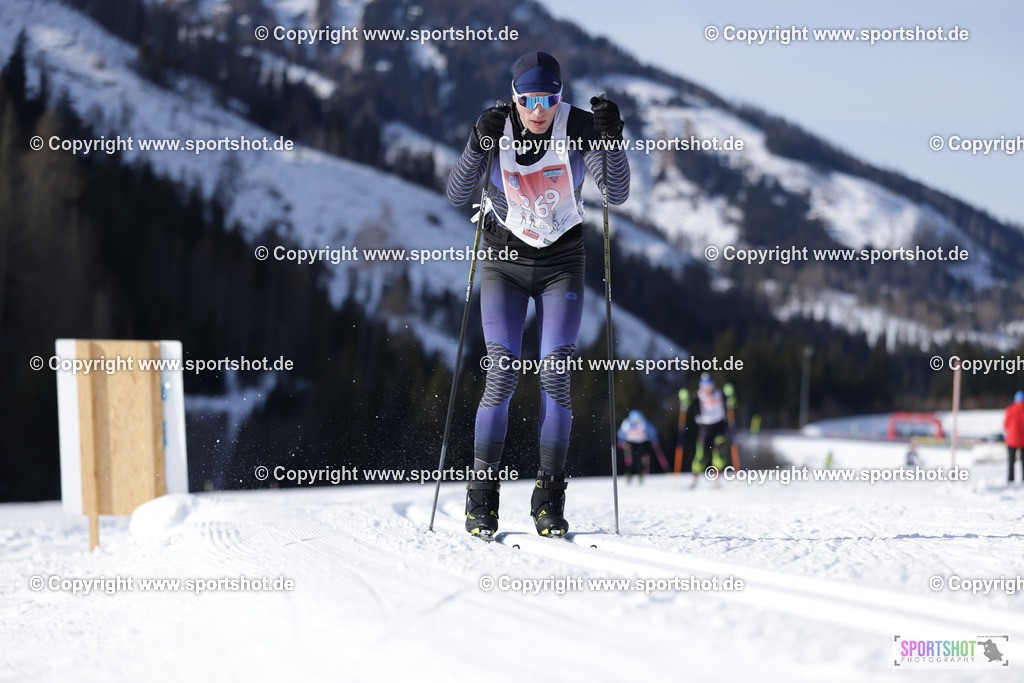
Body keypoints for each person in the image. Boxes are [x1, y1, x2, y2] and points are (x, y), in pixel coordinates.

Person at [446, 52, 630, 537]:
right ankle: (481, 498)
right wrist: (473, 145)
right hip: (505, 262)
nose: (537, 109)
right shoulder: (496, 126)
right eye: (527, 100)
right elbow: (457, 193)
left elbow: (618, 192)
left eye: (547, 99)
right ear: (514, 97)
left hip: (561, 264)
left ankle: (549, 499)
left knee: (556, 376)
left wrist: (612, 142)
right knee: (501, 374)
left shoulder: (578, 126)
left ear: (559, 97)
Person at [690, 373, 730, 487]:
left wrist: (731, 397)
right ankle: (694, 479)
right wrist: (685, 400)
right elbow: (689, 405)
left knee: (719, 452)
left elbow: (732, 403)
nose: (708, 389)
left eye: (710, 386)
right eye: (705, 386)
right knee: (702, 455)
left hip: (719, 426)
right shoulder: (697, 397)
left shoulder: (720, 394)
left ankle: (716, 479)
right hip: (705, 428)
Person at [617, 410, 669, 483]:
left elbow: (652, 431)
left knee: (642, 459)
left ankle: (641, 474)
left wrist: (654, 439)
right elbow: (621, 433)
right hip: (630, 443)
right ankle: (629, 473)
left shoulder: (644, 423)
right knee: (629, 459)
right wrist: (621, 441)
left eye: (638, 420)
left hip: (642, 443)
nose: (636, 422)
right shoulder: (627, 423)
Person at [1004, 391, 1024, 483]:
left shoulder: (1010, 409)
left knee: (1011, 461)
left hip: (1011, 440)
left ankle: (1010, 479)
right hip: (1022, 439)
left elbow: (1006, 425)